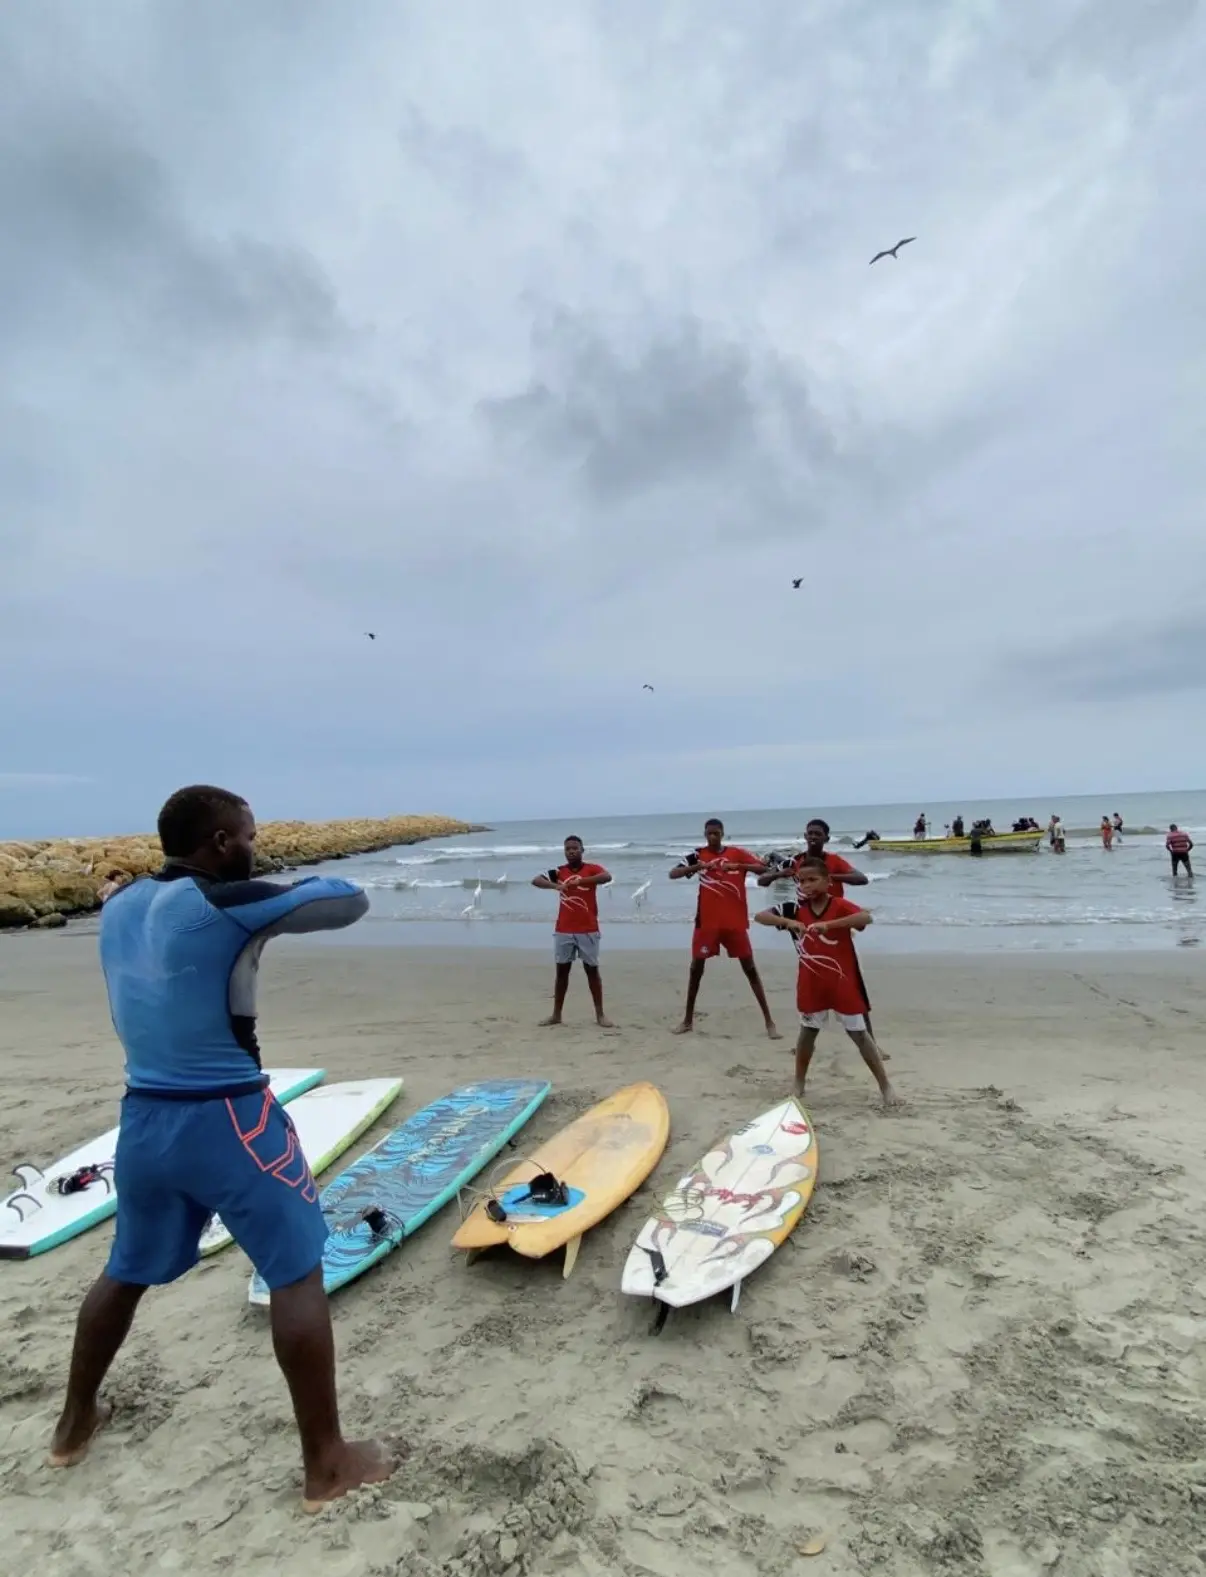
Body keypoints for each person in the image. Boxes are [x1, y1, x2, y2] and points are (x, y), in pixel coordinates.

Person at [47, 785, 393, 1512]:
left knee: (125, 1270)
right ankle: (327, 1463)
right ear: (221, 843)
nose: (256, 844)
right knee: (296, 1272)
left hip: (142, 1119)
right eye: (249, 834)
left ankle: (74, 1421)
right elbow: (345, 899)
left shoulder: (119, 906)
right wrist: (270, 893)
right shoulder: (221, 902)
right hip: (233, 1121)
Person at [754, 856, 898, 1108]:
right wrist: (788, 923)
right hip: (812, 983)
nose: (807, 886)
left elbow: (865, 918)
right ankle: (799, 1082)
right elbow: (760, 916)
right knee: (807, 1033)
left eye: (813, 880)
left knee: (860, 1035)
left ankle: (885, 1086)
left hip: (842, 983)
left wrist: (828, 925)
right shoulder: (795, 908)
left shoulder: (838, 905)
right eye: (802, 881)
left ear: (828, 881)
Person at [669, 818, 779, 1039]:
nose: (712, 837)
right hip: (706, 923)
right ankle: (688, 1020)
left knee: (749, 968)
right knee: (696, 969)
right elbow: (674, 873)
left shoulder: (736, 854)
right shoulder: (697, 854)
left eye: (716, 833)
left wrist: (739, 867)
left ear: (722, 834)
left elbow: (763, 869)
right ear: (704, 834)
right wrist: (696, 867)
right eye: (709, 833)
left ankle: (769, 1022)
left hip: (734, 922)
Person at [531, 836, 613, 1027]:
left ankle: (600, 1015)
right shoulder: (559, 871)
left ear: (582, 850)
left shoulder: (592, 868)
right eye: (568, 849)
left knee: (592, 972)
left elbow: (606, 877)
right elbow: (536, 880)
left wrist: (580, 881)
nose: (571, 851)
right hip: (564, 930)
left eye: (575, 848)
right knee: (562, 973)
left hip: (588, 930)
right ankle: (556, 1015)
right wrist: (556, 885)